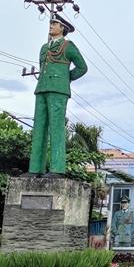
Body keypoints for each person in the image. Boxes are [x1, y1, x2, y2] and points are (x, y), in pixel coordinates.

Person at [26, 14, 88, 177]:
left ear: (63, 28)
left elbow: (82, 67)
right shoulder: (44, 48)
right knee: (38, 129)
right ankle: (35, 169)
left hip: (58, 90)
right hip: (42, 89)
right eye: (51, 23)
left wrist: (65, 79)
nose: (51, 25)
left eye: (55, 23)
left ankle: (57, 169)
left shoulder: (68, 46)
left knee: (56, 128)